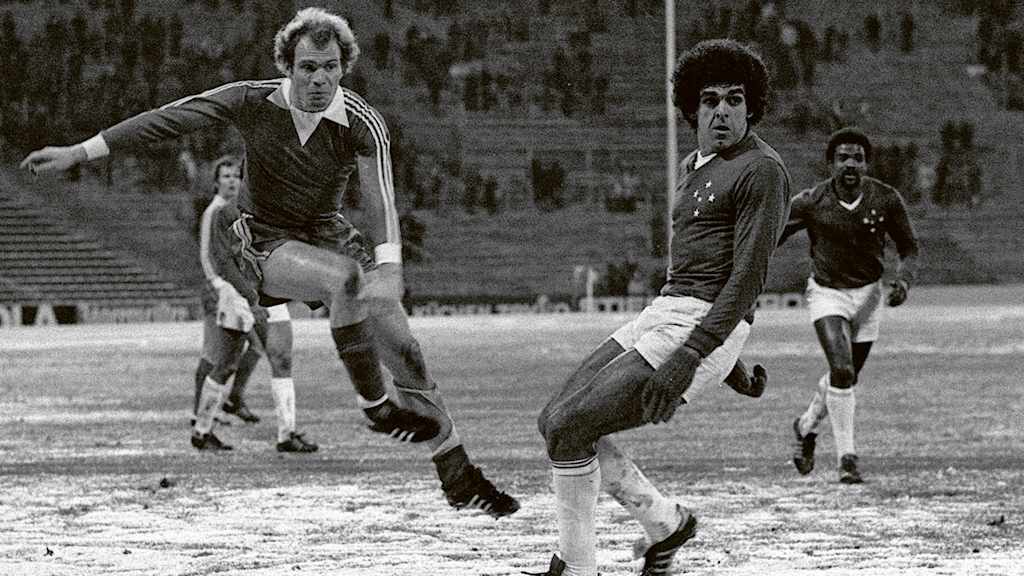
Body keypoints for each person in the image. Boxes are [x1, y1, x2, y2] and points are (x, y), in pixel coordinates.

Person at [21, 7, 517, 516]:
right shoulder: (251, 101)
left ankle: (457, 472)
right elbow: (169, 120)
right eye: (307, 67)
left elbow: (379, 197)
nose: (319, 78)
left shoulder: (363, 121)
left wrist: (389, 263)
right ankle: (375, 407)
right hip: (264, 241)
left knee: (408, 355)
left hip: (330, 236)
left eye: (329, 66)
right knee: (344, 280)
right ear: (287, 65)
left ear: (344, 66)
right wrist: (81, 152)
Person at [529, 39, 790, 576]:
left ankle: (575, 567)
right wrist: (731, 368)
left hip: (697, 327)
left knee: (573, 427)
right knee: (554, 421)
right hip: (667, 312)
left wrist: (697, 357)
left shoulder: (762, 171)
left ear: (752, 106)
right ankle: (665, 523)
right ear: (691, 106)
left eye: (735, 99)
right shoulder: (695, 163)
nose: (722, 110)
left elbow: (745, 280)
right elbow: (704, 267)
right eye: (711, 98)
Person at [780, 126, 919, 484]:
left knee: (847, 376)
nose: (850, 164)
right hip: (828, 293)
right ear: (830, 164)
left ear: (867, 163)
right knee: (842, 370)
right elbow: (771, 236)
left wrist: (903, 280)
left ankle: (806, 425)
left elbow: (909, 248)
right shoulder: (811, 201)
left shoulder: (886, 199)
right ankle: (847, 459)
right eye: (843, 157)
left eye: (857, 157)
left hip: (870, 297)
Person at [193, 156, 317, 452]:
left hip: (268, 295)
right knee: (225, 363)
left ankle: (287, 434)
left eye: (239, 176)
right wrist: (248, 296)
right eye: (228, 176)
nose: (236, 181)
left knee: (282, 358)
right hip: (239, 296)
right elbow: (221, 260)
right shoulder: (221, 213)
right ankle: (201, 430)